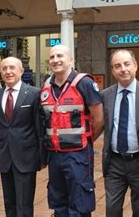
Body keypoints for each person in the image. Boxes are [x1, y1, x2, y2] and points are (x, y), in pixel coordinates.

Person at [41, 44, 103, 216]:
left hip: (78, 155)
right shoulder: (47, 85)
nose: (55, 60)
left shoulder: (85, 83)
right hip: (54, 155)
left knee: (80, 203)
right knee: (58, 202)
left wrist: (85, 140)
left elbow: (99, 119)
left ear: (70, 59)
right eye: (52, 57)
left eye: (60, 56)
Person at [0, 56, 45, 217]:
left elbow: (39, 128)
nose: (8, 71)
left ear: (21, 71)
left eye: (12, 68)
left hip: (26, 157)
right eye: (4, 68)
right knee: (9, 203)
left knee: (24, 204)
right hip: (4, 157)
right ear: (0, 72)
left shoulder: (34, 94)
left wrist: (42, 158)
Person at [100, 49, 139, 217]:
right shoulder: (105, 95)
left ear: (135, 66)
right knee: (112, 209)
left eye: (126, 64)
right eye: (117, 66)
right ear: (112, 70)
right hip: (114, 162)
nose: (123, 69)